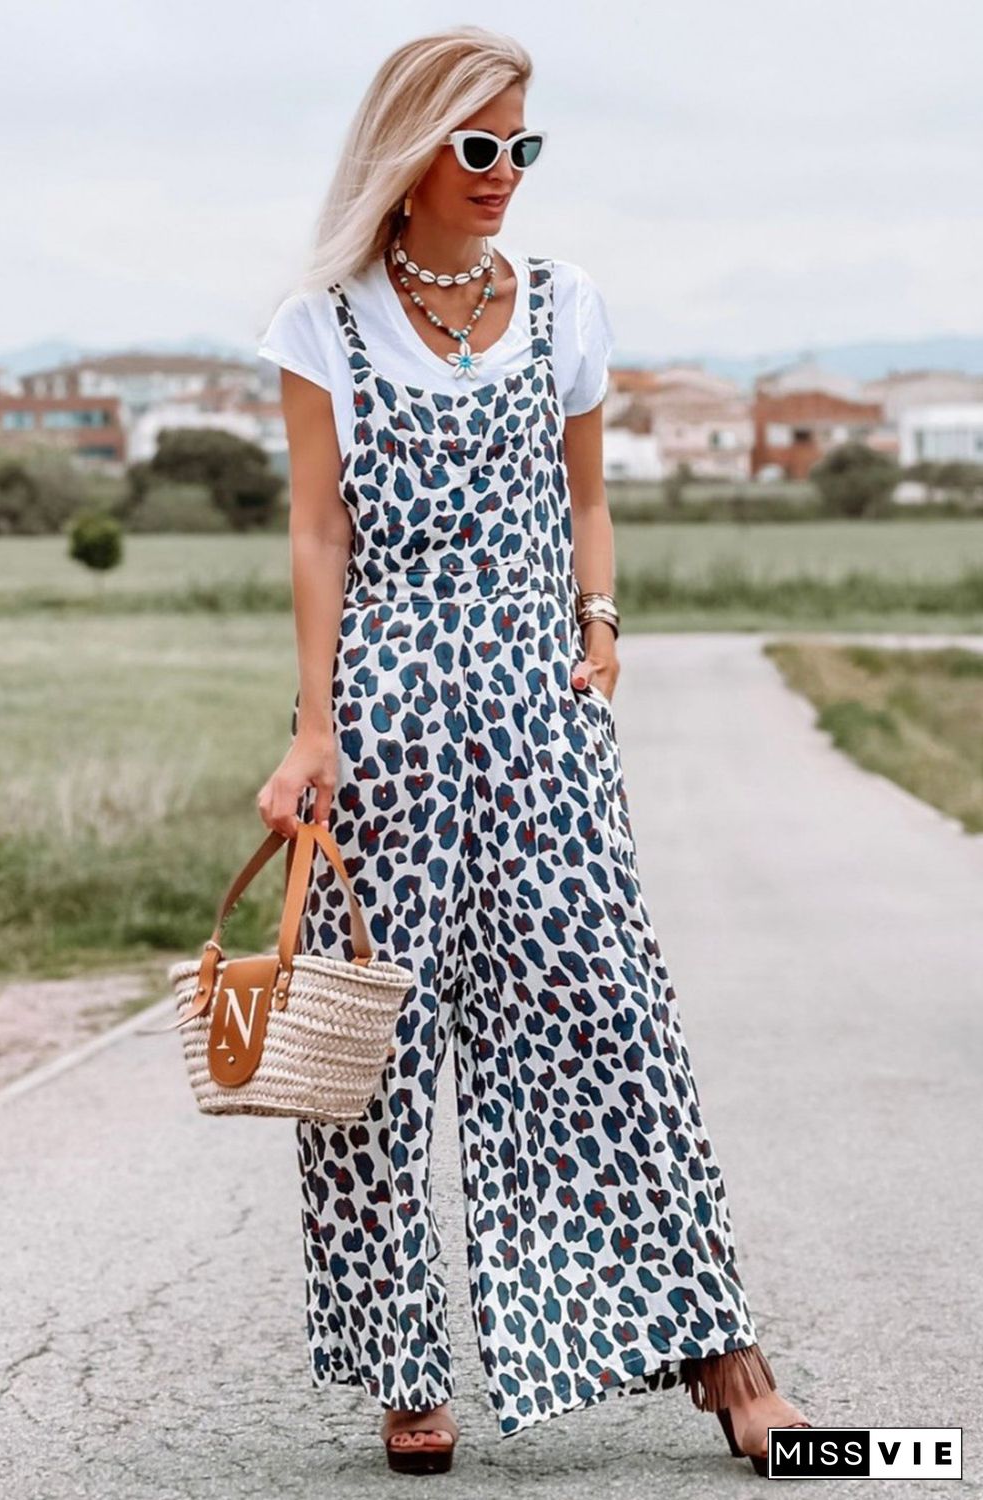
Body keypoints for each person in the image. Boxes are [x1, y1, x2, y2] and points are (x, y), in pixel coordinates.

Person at [254, 24, 811, 1478]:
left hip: (538, 718)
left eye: (523, 148)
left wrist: (600, 624)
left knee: (609, 1017)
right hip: (382, 716)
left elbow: (587, 506)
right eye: (479, 145)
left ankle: (728, 1359)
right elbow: (319, 532)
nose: (505, 174)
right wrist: (313, 725)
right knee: (374, 1053)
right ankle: (404, 1368)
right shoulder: (324, 322)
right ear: (412, 151)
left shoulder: (565, 309)